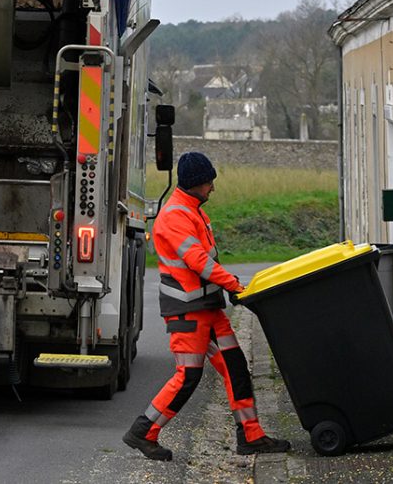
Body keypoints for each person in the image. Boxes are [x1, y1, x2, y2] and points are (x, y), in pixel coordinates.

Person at [123, 152, 290, 460]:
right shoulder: (175, 216)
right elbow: (198, 261)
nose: (212, 187)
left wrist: (227, 288)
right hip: (189, 312)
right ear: (196, 183)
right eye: (209, 181)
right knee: (187, 375)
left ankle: (251, 436)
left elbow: (206, 261)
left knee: (236, 368)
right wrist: (234, 284)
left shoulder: (193, 211)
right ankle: (143, 432)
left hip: (207, 310)